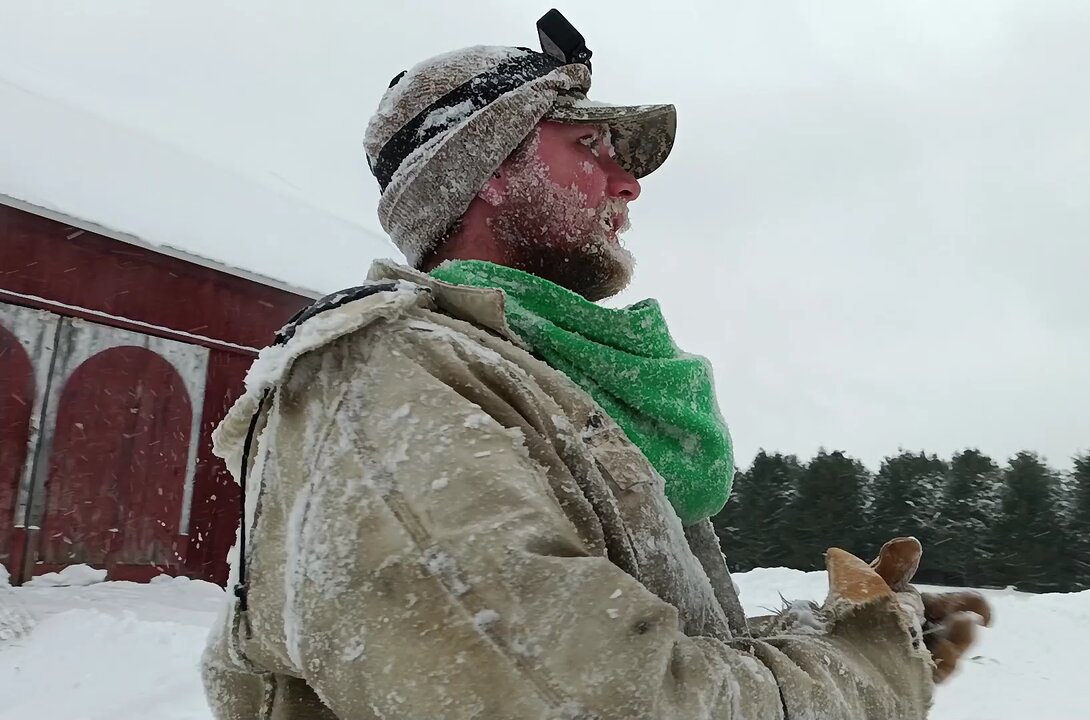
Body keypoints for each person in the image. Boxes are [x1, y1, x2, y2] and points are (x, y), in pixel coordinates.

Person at [201, 13, 987, 720]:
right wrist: (869, 670)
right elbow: (609, 705)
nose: (628, 181)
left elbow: (641, 653)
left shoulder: (539, 384)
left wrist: (859, 630)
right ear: (490, 173)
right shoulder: (390, 383)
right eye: (589, 146)